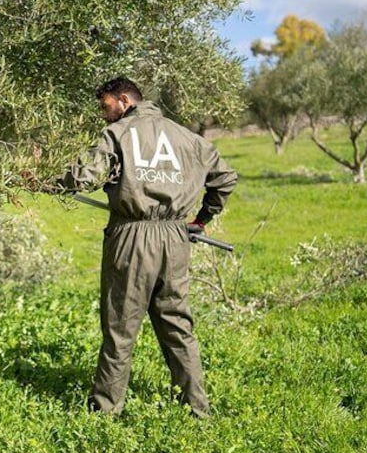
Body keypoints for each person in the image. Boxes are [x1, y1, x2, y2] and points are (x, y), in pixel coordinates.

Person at [55, 76, 237, 418]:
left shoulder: (117, 134)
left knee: (120, 327)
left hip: (132, 236)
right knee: (177, 325)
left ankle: (105, 412)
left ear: (125, 100)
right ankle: (198, 408)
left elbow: (82, 177)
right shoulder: (188, 137)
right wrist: (202, 219)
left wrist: (47, 180)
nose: (104, 115)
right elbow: (225, 179)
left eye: (106, 106)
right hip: (175, 238)